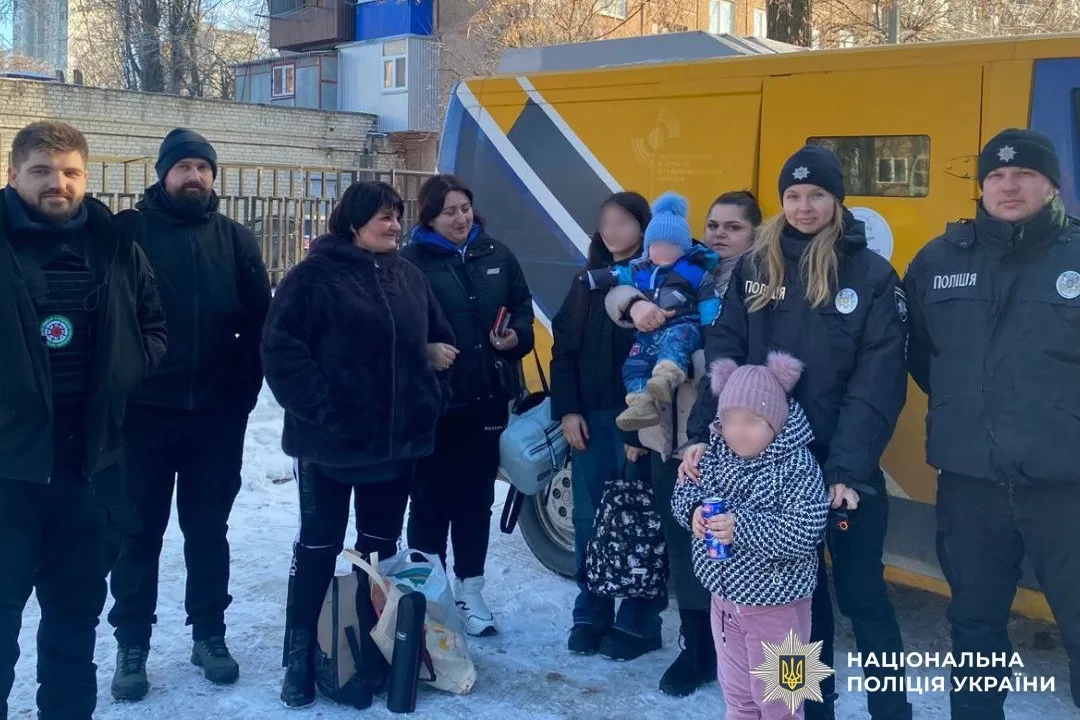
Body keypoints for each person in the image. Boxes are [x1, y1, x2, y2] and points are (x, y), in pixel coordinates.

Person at [680, 145, 912, 720]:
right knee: (799, 610)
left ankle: (892, 711)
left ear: (836, 200)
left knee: (862, 596)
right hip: (767, 462)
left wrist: (850, 468)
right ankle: (809, 708)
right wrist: (703, 432)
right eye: (793, 196)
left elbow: (878, 379)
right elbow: (725, 348)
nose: (804, 206)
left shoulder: (870, 273)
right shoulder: (759, 265)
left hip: (840, 466)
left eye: (816, 195)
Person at [903, 128, 1080, 719]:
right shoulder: (938, 259)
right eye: (997, 176)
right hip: (970, 484)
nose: (1009, 185)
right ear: (981, 187)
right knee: (974, 625)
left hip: (1066, 486)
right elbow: (923, 356)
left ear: (1052, 183)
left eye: (1024, 174)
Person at [262, 180, 454, 709]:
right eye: (382, 217)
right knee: (319, 549)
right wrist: (325, 410)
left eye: (397, 216)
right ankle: (298, 659)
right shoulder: (312, 278)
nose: (393, 225)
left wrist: (429, 398)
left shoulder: (409, 276)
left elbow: (439, 343)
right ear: (353, 222)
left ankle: (368, 651)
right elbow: (280, 350)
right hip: (329, 448)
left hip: (396, 450)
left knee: (378, 553)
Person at [0, 121, 166, 720]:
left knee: (73, 631)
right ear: (14, 174)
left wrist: (125, 369)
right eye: (42, 171)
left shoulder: (116, 245)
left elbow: (154, 326)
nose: (57, 184)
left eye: (69, 172)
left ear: (85, 177)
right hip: (9, 476)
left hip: (90, 474)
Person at [108, 128, 272, 700]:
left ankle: (209, 634)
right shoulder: (130, 234)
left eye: (204, 168)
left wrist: (242, 395)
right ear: (163, 174)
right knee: (137, 533)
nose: (195, 177)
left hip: (215, 419)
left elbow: (260, 324)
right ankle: (132, 643)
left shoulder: (235, 240)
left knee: (208, 532)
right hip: (143, 416)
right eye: (184, 168)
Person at [604, 190, 761, 696]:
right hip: (664, 435)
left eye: (733, 227)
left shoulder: (763, 282)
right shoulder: (683, 265)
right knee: (681, 537)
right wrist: (632, 303)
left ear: (756, 234)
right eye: (713, 224)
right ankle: (698, 647)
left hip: (727, 440)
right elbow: (617, 294)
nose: (719, 234)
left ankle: (741, 646)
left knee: (724, 544)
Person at [400, 174, 534, 637]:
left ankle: (471, 591)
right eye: (449, 211)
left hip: (486, 399)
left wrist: (516, 336)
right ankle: (427, 596)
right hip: (434, 405)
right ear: (430, 217)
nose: (460, 218)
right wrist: (425, 350)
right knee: (430, 501)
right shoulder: (410, 262)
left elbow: (522, 307)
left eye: (465, 208)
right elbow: (394, 329)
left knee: (476, 500)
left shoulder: (495, 255)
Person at [672, 352, 829, 720]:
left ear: (775, 421)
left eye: (751, 421)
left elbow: (806, 528)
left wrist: (741, 527)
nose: (737, 431)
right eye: (727, 420)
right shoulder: (715, 454)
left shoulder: (797, 465)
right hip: (725, 604)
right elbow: (683, 492)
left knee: (786, 702)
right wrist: (693, 513)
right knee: (739, 698)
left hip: (781, 609)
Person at [550, 191, 666, 661]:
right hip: (590, 421)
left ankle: (639, 621)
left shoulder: (655, 281)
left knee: (638, 521)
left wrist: (641, 431)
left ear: (644, 227)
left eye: (623, 221)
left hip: (637, 424)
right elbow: (564, 351)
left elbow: (662, 356)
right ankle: (591, 611)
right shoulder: (586, 282)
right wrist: (569, 410)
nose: (612, 231)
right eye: (605, 223)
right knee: (588, 518)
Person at [579, 192, 719, 431]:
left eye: (671, 246)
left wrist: (710, 332)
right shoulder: (640, 269)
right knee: (635, 360)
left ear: (683, 248)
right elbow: (617, 276)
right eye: (656, 246)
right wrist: (592, 279)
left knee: (676, 344)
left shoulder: (693, 271)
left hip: (683, 325)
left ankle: (664, 378)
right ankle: (640, 402)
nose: (662, 251)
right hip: (649, 333)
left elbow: (708, 302)